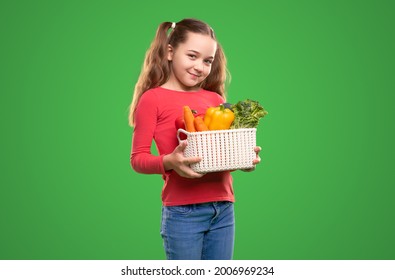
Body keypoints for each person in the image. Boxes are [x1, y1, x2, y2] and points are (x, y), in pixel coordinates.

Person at [128, 18, 261, 260]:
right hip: (182, 212)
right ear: (170, 52)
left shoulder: (216, 100)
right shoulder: (152, 99)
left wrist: (245, 158)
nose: (199, 67)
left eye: (207, 61)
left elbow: (221, 153)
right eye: (192, 56)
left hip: (223, 208)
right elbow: (138, 159)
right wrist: (170, 161)